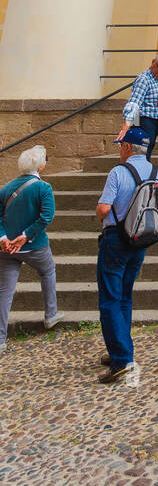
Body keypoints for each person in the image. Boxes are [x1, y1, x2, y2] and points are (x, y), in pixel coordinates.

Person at [95, 129, 158, 383]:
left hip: (115, 239)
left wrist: (101, 212)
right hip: (140, 240)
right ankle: (120, 348)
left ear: (128, 147)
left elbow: (104, 208)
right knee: (125, 296)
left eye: (120, 145)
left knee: (110, 299)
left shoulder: (118, 172)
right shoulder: (157, 173)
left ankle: (122, 360)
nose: (119, 149)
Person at [0, 144, 63, 351]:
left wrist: (3, 238)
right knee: (48, 271)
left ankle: (0, 339)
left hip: (8, 249)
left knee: (4, 292)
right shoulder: (43, 188)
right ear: (41, 166)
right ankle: (50, 314)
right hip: (35, 246)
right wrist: (26, 236)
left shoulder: (6, 188)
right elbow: (47, 216)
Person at [117, 52, 158, 158]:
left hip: (153, 122)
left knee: (146, 151)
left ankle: (142, 172)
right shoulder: (144, 79)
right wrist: (125, 128)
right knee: (141, 153)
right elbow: (134, 103)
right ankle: (139, 173)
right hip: (143, 121)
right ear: (152, 62)